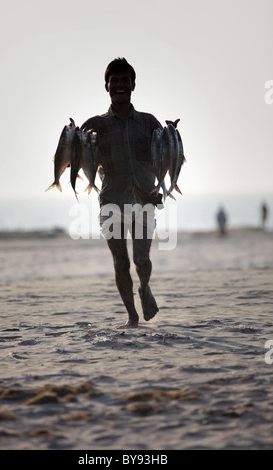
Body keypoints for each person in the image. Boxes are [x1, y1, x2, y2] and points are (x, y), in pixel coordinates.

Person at [80, 57, 168, 327]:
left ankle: (144, 287)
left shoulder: (149, 122)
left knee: (141, 258)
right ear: (107, 86)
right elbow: (76, 154)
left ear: (133, 85)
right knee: (120, 261)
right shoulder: (95, 125)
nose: (120, 85)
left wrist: (172, 134)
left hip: (144, 199)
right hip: (111, 202)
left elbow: (166, 153)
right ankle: (131, 316)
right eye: (114, 80)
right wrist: (73, 136)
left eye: (125, 80)